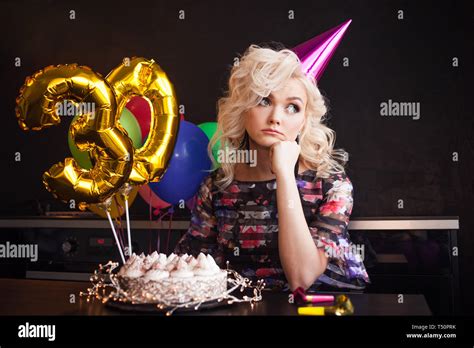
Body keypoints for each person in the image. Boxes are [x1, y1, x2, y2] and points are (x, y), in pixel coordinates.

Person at [174, 44, 370, 292]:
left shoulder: (332, 185)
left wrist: (286, 174)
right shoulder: (217, 187)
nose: (276, 117)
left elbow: (302, 278)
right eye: (264, 100)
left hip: (325, 306)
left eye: (292, 107)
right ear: (243, 109)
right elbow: (190, 272)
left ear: (303, 122)